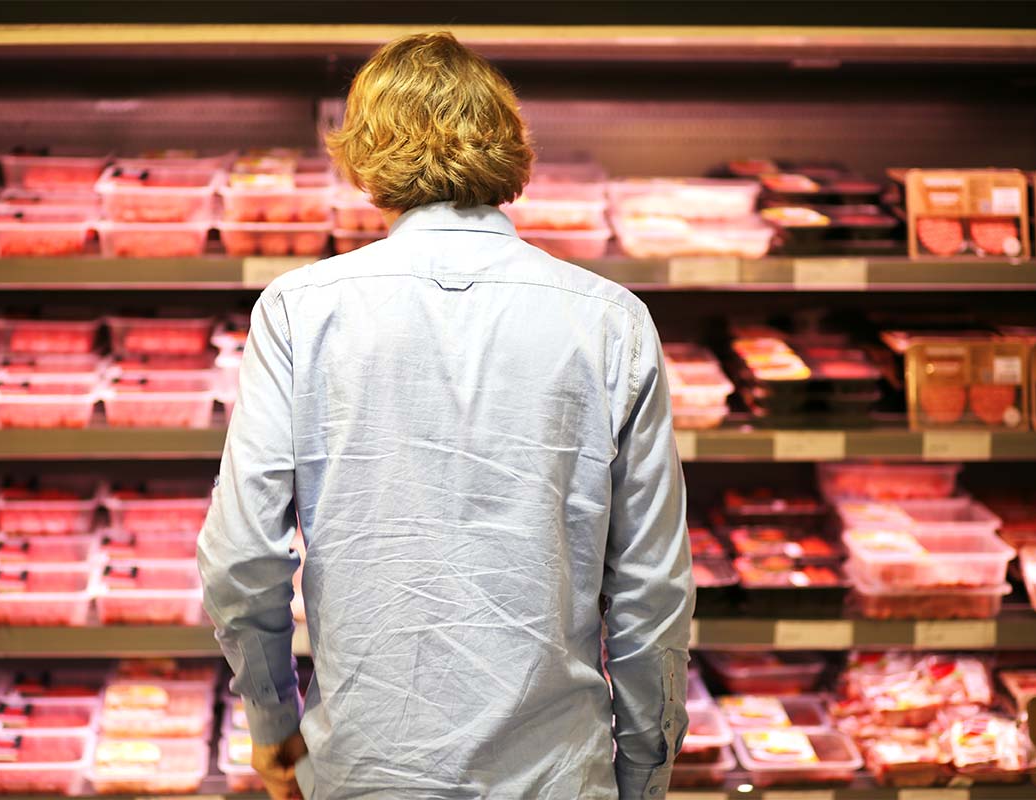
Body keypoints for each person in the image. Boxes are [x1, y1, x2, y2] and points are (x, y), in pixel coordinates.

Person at [198, 31, 693, 800]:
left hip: (364, 771)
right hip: (558, 773)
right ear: (510, 147)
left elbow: (241, 559)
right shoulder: (613, 322)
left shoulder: (299, 311)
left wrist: (275, 726)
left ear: (364, 157)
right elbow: (651, 588)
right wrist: (643, 770)